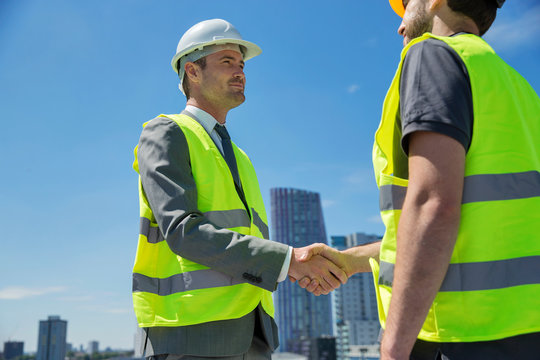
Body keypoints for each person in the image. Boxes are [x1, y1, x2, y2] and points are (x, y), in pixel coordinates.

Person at [295, 0, 540, 359]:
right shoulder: (519, 89)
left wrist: (394, 347)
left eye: (407, 5)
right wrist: (349, 261)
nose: (400, 25)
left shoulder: (432, 54)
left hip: (457, 336)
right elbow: (472, 227)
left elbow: (432, 207)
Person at [132, 19, 347, 360]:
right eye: (227, 62)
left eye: (242, 65)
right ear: (193, 71)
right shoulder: (166, 133)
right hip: (191, 334)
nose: (240, 72)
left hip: (254, 333)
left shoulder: (241, 157)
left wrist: (295, 264)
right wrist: (288, 261)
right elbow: (182, 230)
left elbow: (246, 239)